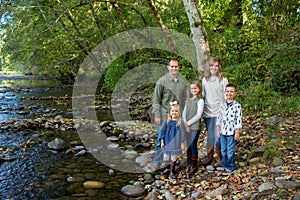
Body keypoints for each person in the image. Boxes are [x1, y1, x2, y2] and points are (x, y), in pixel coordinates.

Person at [150, 58, 187, 171]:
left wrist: (183, 115)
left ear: (178, 68)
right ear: (168, 67)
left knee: (175, 139)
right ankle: (157, 162)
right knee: (161, 138)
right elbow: (156, 100)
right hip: (164, 115)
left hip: (177, 116)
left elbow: (185, 99)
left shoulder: (182, 81)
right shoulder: (162, 81)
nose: (174, 68)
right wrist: (157, 115)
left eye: (176, 66)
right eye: (172, 66)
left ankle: (172, 163)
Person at [201, 57, 228, 167]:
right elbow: (202, 95)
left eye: (216, 66)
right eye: (212, 65)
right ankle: (209, 157)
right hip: (208, 112)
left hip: (219, 112)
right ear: (208, 67)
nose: (214, 68)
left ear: (219, 67)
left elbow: (227, 96)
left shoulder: (223, 80)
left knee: (218, 136)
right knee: (210, 135)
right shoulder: (204, 80)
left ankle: (220, 158)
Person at [216, 83, 242, 172]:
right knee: (223, 149)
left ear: (235, 93)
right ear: (224, 92)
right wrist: (218, 130)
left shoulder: (237, 106)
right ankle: (224, 165)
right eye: (227, 91)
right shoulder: (222, 105)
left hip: (231, 133)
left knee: (230, 150)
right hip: (223, 131)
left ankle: (230, 166)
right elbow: (218, 118)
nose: (229, 93)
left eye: (231, 92)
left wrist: (237, 132)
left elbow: (238, 120)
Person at [182, 80, 204, 175]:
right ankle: (189, 162)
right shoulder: (188, 100)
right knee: (188, 144)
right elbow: (184, 112)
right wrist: (185, 123)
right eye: (191, 88)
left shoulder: (200, 100)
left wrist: (189, 123)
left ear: (199, 89)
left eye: (195, 88)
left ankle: (194, 164)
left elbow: (199, 115)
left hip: (195, 126)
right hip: (186, 125)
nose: (193, 90)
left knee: (193, 144)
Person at [161, 102, 186, 178]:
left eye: (176, 111)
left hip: (175, 143)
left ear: (179, 113)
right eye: (173, 111)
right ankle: (167, 168)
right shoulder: (167, 122)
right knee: (166, 156)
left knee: (173, 157)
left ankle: (172, 171)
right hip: (167, 142)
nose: (174, 113)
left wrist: (182, 143)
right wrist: (162, 141)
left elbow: (182, 133)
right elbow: (163, 132)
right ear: (170, 112)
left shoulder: (179, 123)